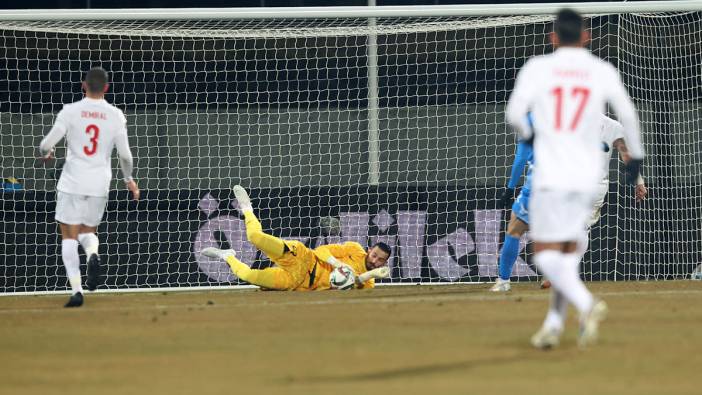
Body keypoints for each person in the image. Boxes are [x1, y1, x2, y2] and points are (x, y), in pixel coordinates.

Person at [505, 9, 644, 349]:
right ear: (587, 36)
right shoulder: (601, 70)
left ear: (553, 37)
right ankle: (554, 324)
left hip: (553, 171)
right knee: (569, 249)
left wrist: (531, 137)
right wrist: (635, 164)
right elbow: (627, 114)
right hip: (588, 176)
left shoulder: (537, 68)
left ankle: (588, 305)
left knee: (545, 254)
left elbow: (514, 113)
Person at [491, 114, 648, 292]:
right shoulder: (614, 126)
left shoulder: (564, 119)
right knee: (580, 229)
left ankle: (505, 280)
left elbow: (528, 153)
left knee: (521, 228)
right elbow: (627, 156)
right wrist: (639, 181)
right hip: (595, 185)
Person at [39, 67, 140, 308]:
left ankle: (77, 291)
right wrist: (129, 180)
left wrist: (48, 152)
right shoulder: (116, 115)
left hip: (73, 180)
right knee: (87, 232)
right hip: (99, 183)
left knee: (69, 236)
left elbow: (45, 144)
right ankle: (93, 254)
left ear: (84, 85)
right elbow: (125, 156)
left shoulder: (71, 111)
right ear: (106, 87)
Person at [202, 185, 391, 290]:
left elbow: (354, 285)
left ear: (384, 264)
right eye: (375, 255)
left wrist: (370, 274)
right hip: (301, 257)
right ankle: (247, 208)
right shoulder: (354, 249)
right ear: (369, 250)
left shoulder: (369, 282)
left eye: (380, 260)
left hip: (295, 282)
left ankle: (226, 255)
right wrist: (337, 264)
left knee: (249, 276)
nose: (375, 261)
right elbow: (321, 250)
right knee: (255, 237)